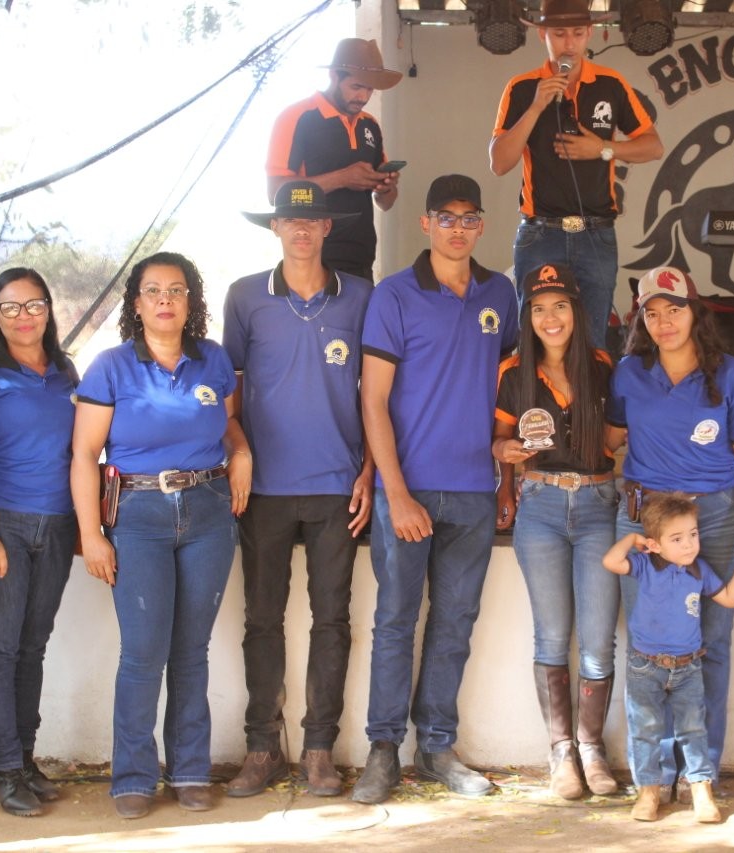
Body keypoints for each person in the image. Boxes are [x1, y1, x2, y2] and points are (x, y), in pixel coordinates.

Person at [351, 175, 519, 804]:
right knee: (395, 622)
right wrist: (395, 493)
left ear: (481, 225)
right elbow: (373, 400)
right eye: (446, 217)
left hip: (473, 490)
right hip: (409, 490)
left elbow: (508, 390)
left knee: (454, 624)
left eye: (469, 218)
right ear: (426, 223)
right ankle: (382, 751)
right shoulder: (394, 295)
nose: (458, 228)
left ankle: (437, 749)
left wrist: (505, 472)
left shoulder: (500, 294)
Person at [71, 252, 251, 820]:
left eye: (176, 290)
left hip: (208, 511)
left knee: (191, 650)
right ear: (137, 303)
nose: (165, 300)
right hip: (138, 514)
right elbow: (84, 454)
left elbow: (227, 423)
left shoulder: (213, 360)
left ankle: (190, 770)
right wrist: (92, 534)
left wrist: (242, 452)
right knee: (144, 653)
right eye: (153, 291)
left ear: (191, 300)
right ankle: (133, 775)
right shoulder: (111, 367)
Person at [222, 181, 374, 798]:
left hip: (338, 484)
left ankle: (318, 750)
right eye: (290, 220)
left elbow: (379, 393)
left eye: (312, 221)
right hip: (264, 489)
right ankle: (262, 748)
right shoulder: (245, 297)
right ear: (276, 228)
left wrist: (369, 470)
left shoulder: (360, 296)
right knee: (262, 619)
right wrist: (238, 450)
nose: (302, 230)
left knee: (331, 619)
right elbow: (228, 392)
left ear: (328, 228)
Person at [606, 266, 734, 801]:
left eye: (674, 310)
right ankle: (652, 779)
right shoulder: (629, 373)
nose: (664, 322)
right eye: (651, 313)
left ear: (696, 313)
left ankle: (700, 774)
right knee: (648, 647)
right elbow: (609, 438)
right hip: (645, 518)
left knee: (711, 643)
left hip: (714, 519)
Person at [491, 263, 619, 799]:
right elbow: (500, 439)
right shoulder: (513, 371)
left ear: (576, 311)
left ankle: (592, 748)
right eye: (540, 308)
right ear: (528, 316)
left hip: (598, 505)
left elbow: (616, 439)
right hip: (540, 505)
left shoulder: (603, 365)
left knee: (598, 639)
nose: (551, 318)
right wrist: (506, 457)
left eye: (560, 306)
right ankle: (561, 751)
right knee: (550, 634)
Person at [0, 268, 79, 818]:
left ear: (48, 310)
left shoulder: (65, 371)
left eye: (34, 305)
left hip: (56, 525)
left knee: (32, 647)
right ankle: (5, 771)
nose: (24, 316)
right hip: (2, 523)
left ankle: (26, 762)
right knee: (0, 646)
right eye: (10, 307)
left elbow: (78, 452)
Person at [489, 0, 663, 348]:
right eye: (559, 34)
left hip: (596, 232)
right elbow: (499, 162)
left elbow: (653, 146)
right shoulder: (521, 87)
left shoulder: (610, 83)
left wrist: (603, 148)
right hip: (540, 232)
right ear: (542, 34)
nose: (569, 43)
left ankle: (590, 388)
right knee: (536, 341)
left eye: (577, 33)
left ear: (590, 34)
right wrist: (537, 106)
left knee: (593, 341)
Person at [603, 492, 734, 824]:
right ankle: (648, 791)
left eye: (693, 534)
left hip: (688, 667)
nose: (689, 544)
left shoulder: (699, 571)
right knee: (646, 730)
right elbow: (612, 562)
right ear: (655, 544)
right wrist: (632, 539)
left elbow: (729, 599)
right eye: (677, 538)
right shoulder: (645, 565)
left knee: (693, 729)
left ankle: (701, 789)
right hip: (645, 666)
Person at [266, 37, 402, 281]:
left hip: (362, 263)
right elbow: (275, 194)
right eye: (356, 87)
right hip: (310, 264)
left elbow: (385, 203)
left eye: (370, 90)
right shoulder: (296, 117)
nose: (363, 97)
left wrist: (386, 187)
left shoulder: (370, 125)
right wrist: (342, 178)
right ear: (334, 76)